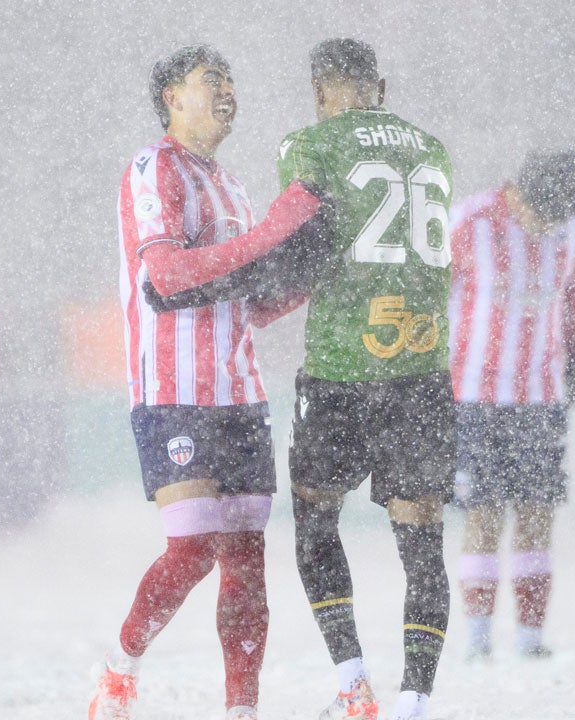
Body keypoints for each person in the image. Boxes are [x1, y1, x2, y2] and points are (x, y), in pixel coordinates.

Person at [89, 45, 330, 720]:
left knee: (248, 567)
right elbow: (167, 277)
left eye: (231, 79)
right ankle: (120, 663)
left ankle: (241, 710)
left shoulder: (231, 185)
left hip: (240, 393)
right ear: (172, 97)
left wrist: (311, 271)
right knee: (193, 549)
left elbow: (248, 301)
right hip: (173, 390)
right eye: (209, 80)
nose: (226, 90)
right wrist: (276, 231)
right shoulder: (152, 167)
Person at [280, 38, 457, 720]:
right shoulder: (433, 148)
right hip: (420, 367)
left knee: (316, 517)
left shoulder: (310, 145)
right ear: (379, 86)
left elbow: (297, 242)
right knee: (421, 535)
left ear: (320, 91)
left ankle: (354, 685)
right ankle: (414, 702)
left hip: (341, 367)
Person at [447, 149, 575, 660]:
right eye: (542, 217)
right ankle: (478, 641)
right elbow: (428, 295)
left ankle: (532, 640)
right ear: (520, 195)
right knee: (483, 516)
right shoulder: (470, 221)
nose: (547, 228)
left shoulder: (569, 227)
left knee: (537, 514)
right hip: (474, 396)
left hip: (540, 395)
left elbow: (569, 293)